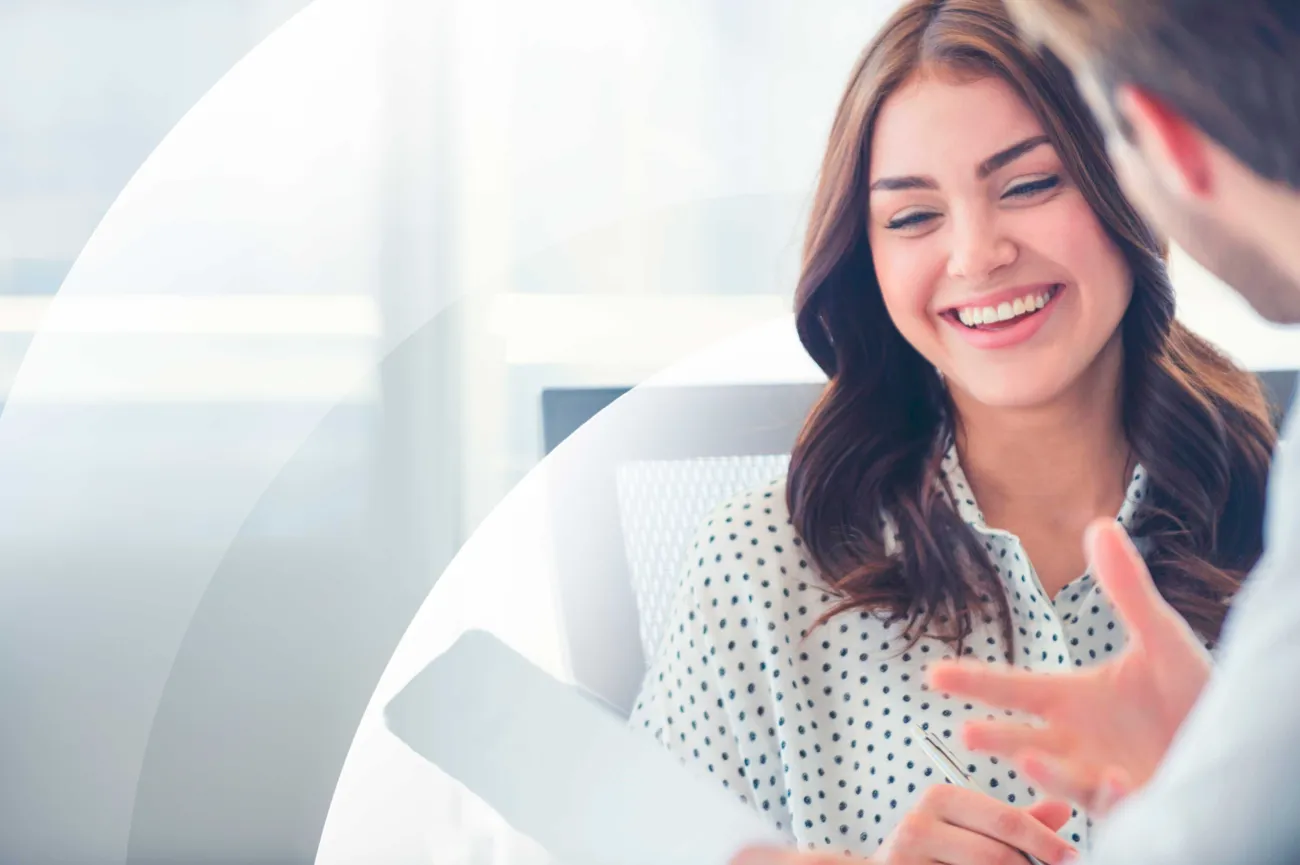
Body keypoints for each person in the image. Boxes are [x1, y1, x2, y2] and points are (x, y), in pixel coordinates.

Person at [629, 1, 1276, 863]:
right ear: (866, 259)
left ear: (1134, 176)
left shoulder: (1280, 534)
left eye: (1030, 185)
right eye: (911, 217)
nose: (976, 254)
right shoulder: (756, 572)